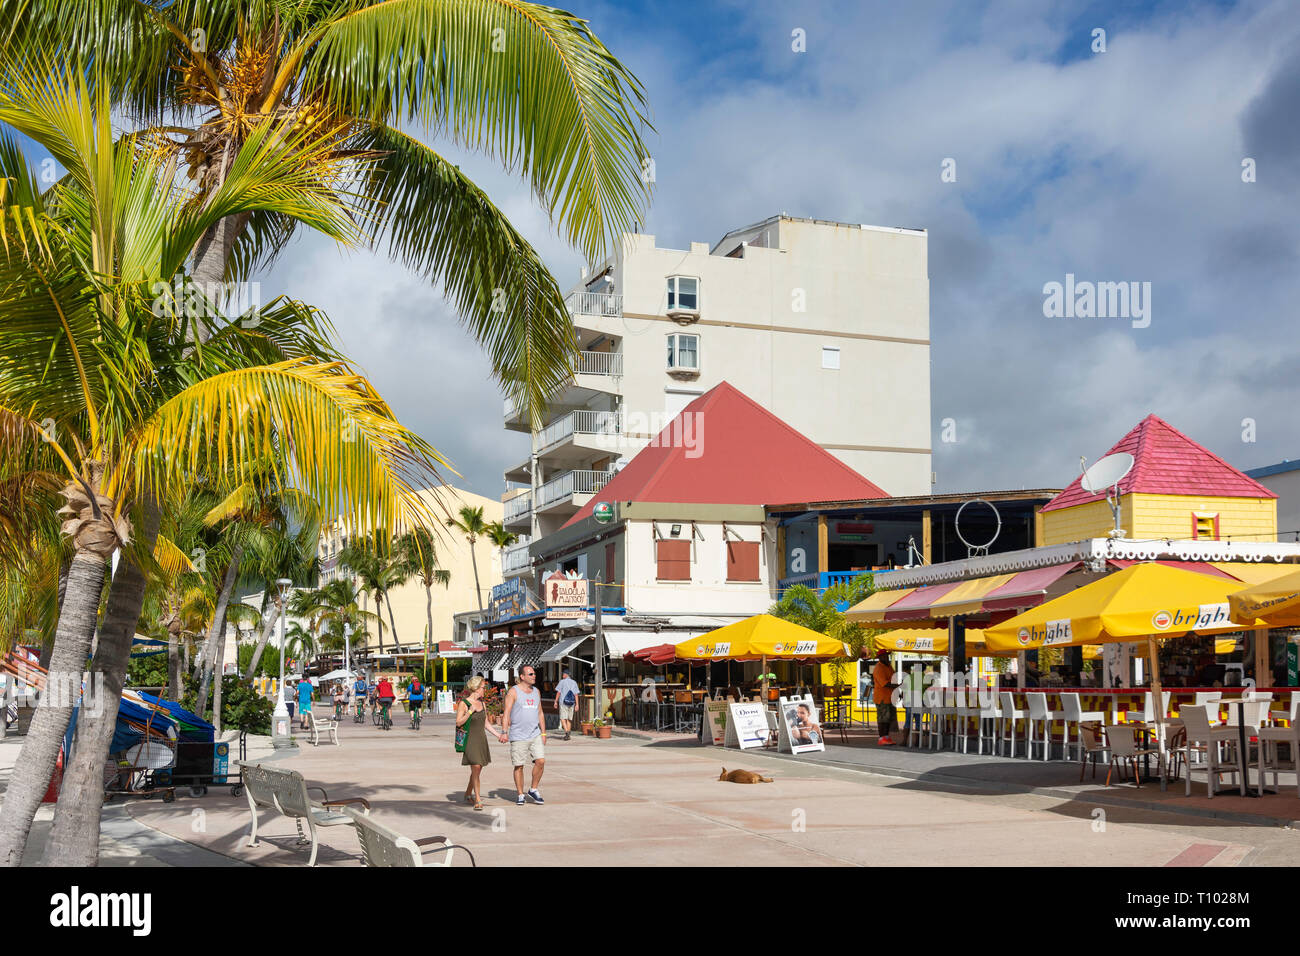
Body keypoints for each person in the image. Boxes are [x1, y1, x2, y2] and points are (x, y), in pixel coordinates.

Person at [499, 665, 546, 805]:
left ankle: (533, 789)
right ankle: (520, 794)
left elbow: (540, 712)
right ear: (522, 676)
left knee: (541, 761)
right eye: (531, 674)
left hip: (535, 733)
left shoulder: (536, 691)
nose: (534, 676)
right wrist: (504, 732)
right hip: (518, 735)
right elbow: (506, 713)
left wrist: (543, 732)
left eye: (534, 674)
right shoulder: (513, 692)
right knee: (519, 765)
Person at [456, 676, 504, 811]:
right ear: (477, 688)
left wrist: (498, 735)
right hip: (470, 740)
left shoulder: (482, 704)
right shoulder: (464, 703)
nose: (485, 690)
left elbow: (486, 723)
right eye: (483, 687)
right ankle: (477, 798)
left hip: (481, 739)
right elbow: (458, 722)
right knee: (476, 766)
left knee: (477, 770)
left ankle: (467, 793)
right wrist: (470, 711)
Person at [872, 650, 899, 746]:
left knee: (888, 719)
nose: (886, 658)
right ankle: (881, 738)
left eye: (887, 656)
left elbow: (893, 679)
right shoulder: (878, 668)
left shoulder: (889, 666)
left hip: (890, 697)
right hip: (882, 698)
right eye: (884, 656)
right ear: (880, 657)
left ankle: (886, 737)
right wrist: (898, 686)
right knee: (882, 719)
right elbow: (885, 683)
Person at [901, 662, 924, 746]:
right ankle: (917, 742)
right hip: (919, 702)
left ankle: (904, 741)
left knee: (907, 722)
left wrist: (903, 701)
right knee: (918, 722)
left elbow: (904, 690)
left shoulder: (908, 677)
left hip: (909, 702)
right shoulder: (926, 678)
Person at [554, 668, 581, 741]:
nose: (562, 675)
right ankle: (568, 734)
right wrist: (577, 704)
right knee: (569, 719)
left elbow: (558, 692)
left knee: (563, 718)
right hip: (572, 703)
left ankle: (567, 732)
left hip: (563, 702)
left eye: (563, 674)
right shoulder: (574, 682)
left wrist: (555, 701)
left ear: (566, 675)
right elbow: (576, 694)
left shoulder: (562, 682)